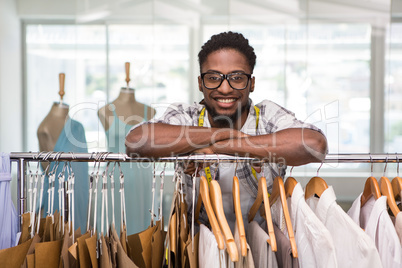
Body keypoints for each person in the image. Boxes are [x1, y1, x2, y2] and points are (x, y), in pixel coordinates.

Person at [125, 31, 327, 231]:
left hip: (264, 252)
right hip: (199, 251)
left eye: (236, 77)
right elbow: (136, 141)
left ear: (252, 83)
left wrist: (223, 146)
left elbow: (314, 145)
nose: (224, 88)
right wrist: (223, 134)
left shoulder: (267, 116)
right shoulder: (187, 115)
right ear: (200, 83)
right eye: (213, 78)